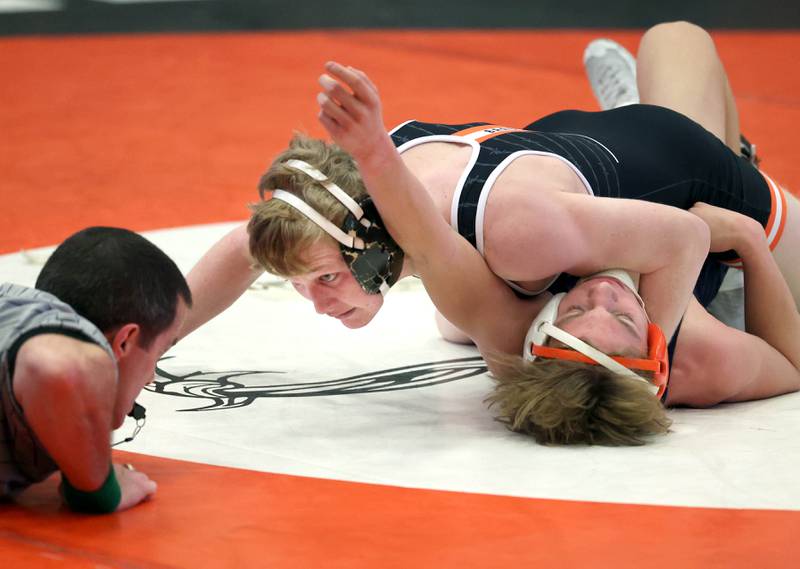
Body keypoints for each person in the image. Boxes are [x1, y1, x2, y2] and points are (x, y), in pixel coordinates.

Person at [290, 21, 800, 445]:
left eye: (574, 309)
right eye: (624, 318)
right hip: (711, 228)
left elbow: (433, 250)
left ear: (539, 334)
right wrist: (751, 244)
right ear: (653, 350)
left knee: (454, 324)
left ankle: (647, 119)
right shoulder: (701, 361)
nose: (601, 292)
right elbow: (791, 364)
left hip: (595, 167)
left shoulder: (508, 322)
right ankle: (721, 152)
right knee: (679, 44)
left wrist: (368, 165)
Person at [181, 21, 799, 357]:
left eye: (326, 280)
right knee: (464, 325)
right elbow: (247, 245)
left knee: (696, 344)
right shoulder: (343, 198)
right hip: (579, 153)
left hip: (687, 187)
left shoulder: (511, 237)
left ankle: (736, 158)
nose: (317, 303)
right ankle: (647, 109)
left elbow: (689, 232)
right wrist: (150, 342)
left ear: (371, 246)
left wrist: (649, 363)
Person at [1, 226, 192, 512]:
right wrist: (98, 488)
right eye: (159, 353)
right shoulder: (71, 355)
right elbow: (62, 368)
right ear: (125, 341)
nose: (152, 377)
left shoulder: (16, 311)